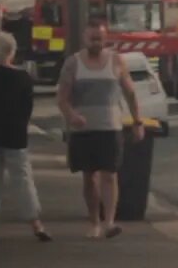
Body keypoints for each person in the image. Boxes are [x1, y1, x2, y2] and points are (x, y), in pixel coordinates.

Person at [57, 23, 145, 239]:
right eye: (92, 39)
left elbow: (130, 93)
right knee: (89, 177)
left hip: (110, 127)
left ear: (105, 39)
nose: (96, 43)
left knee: (110, 174)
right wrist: (72, 116)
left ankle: (109, 222)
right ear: (84, 39)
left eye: (100, 39)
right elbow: (62, 98)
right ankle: (94, 221)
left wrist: (137, 121)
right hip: (84, 130)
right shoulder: (73, 64)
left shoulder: (116, 61)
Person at [0, 32, 51, 242]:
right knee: (23, 180)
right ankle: (36, 224)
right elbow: (27, 109)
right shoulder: (22, 78)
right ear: (12, 52)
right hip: (15, 137)